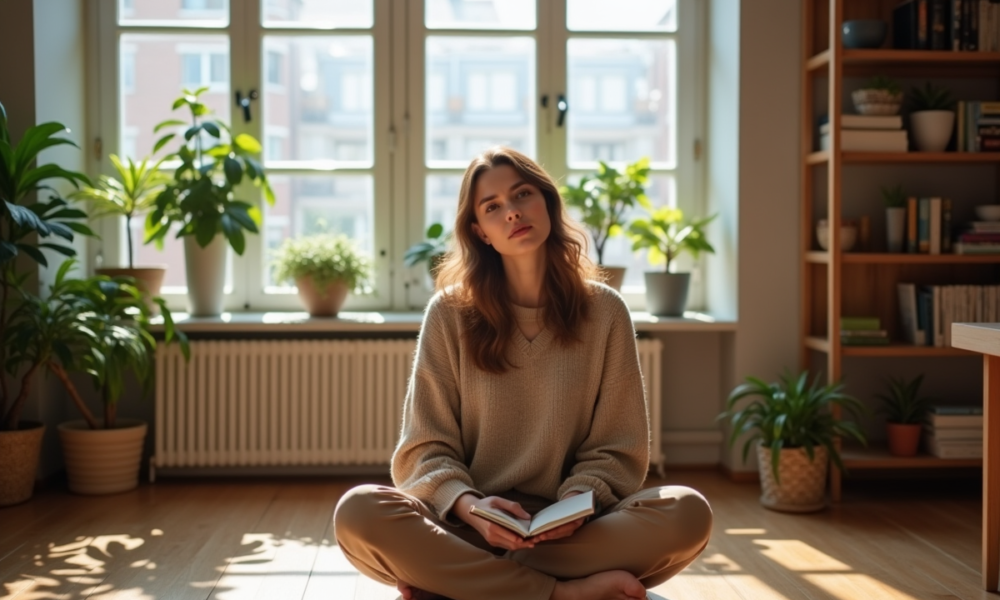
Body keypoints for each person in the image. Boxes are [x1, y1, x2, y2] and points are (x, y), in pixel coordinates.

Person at [334, 147, 712, 600]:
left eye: (522, 194)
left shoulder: (606, 311)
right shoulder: (449, 313)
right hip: (469, 525)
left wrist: (574, 506)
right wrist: (471, 508)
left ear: (547, 202)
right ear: (480, 232)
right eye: (492, 207)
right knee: (358, 511)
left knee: (688, 512)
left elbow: (618, 445)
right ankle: (565, 594)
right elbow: (424, 447)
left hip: (572, 534)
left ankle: (461, 581)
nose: (512, 212)